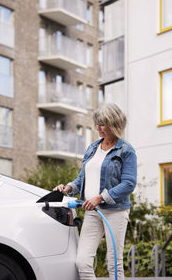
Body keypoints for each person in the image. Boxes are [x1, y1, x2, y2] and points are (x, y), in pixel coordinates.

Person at [54, 103, 137, 280]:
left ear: (114, 124)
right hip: (92, 212)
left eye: (102, 124)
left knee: (114, 264)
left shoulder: (126, 150)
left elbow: (129, 183)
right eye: (97, 123)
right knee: (82, 262)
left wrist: (100, 198)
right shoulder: (92, 148)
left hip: (115, 212)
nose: (98, 128)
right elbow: (82, 178)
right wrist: (68, 187)